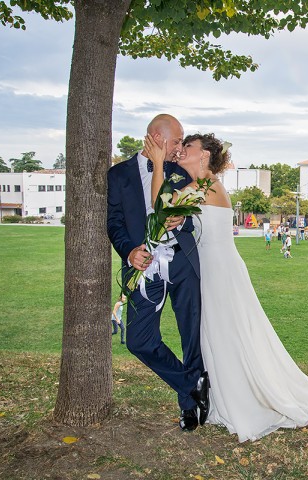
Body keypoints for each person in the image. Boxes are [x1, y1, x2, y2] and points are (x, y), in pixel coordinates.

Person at [145, 132, 308, 442]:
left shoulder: (204, 187)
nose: (181, 151)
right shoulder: (200, 188)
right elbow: (171, 216)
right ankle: (223, 396)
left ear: (204, 156)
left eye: (188, 147)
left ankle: (241, 399)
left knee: (228, 333)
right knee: (223, 333)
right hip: (215, 268)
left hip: (219, 270)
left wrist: (156, 163)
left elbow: (159, 207)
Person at [107, 114, 209, 432]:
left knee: (191, 336)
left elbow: (190, 216)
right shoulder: (118, 175)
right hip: (145, 268)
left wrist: (183, 221)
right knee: (139, 340)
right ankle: (194, 383)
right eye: (177, 141)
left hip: (182, 263)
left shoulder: (180, 173)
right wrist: (129, 251)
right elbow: (114, 222)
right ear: (156, 137)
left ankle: (191, 407)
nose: (180, 147)